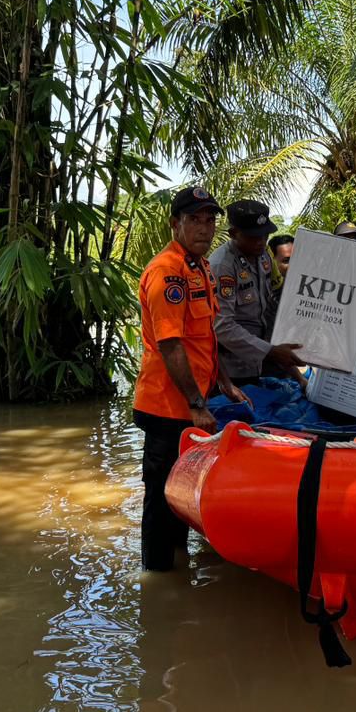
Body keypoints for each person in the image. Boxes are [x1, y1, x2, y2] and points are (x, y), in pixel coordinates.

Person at [133, 187, 250, 571]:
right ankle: (156, 576)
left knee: (179, 492)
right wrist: (197, 405)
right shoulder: (168, 273)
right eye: (195, 220)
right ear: (175, 223)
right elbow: (170, 346)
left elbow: (207, 338)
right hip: (168, 406)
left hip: (191, 403)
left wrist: (224, 382)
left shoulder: (199, 268)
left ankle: (179, 563)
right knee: (160, 496)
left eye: (210, 220)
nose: (205, 228)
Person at [210, 200, 304, 385]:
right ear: (234, 234)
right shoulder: (223, 266)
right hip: (228, 373)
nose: (261, 242)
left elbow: (269, 311)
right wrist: (270, 351)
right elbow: (222, 326)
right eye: (253, 236)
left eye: (265, 235)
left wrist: (298, 376)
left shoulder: (263, 256)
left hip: (257, 365)